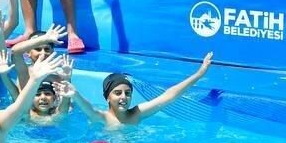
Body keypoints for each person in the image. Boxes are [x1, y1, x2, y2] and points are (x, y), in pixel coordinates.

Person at [73, 54, 214, 129]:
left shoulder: (136, 114)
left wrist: (199, 74)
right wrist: (74, 93)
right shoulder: (102, 117)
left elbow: (168, 96)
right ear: (107, 97)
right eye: (118, 93)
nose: (124, 97)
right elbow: (88, 108)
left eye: (127, 93)